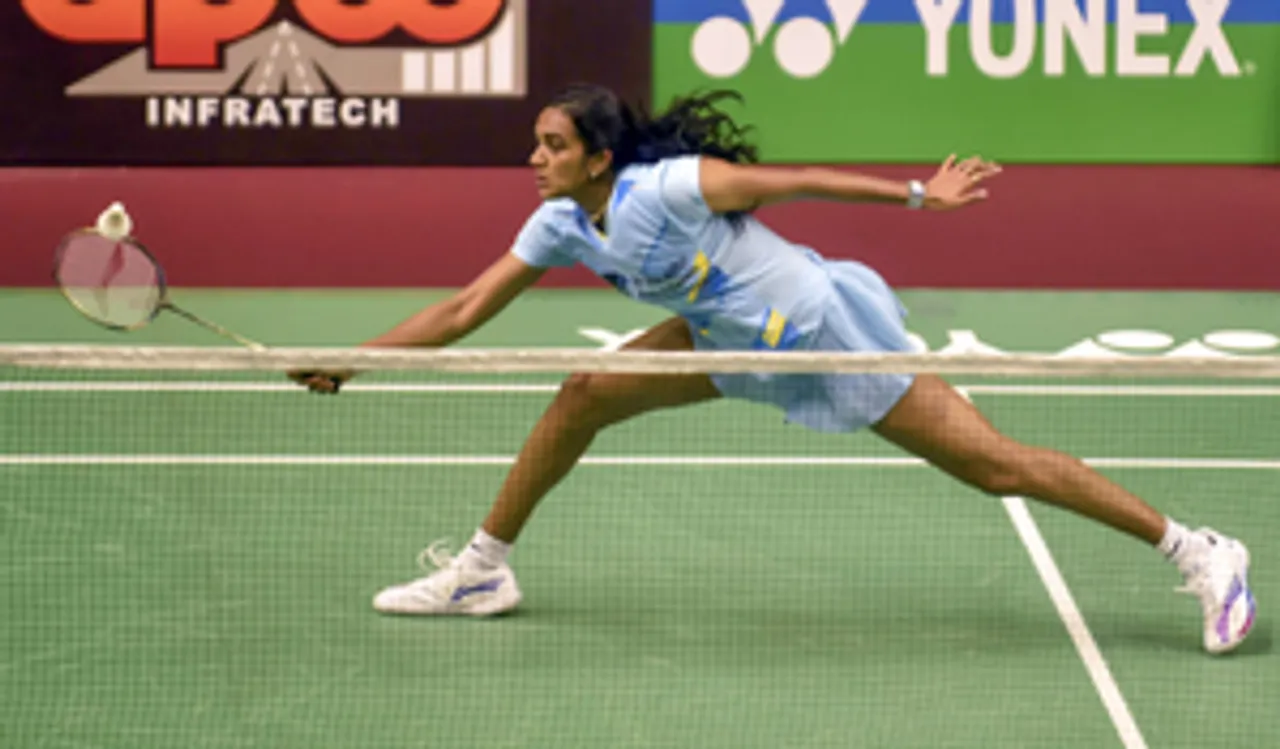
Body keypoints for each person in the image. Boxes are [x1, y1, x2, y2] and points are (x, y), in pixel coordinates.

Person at [291, 84, 1255, 655]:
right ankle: (479, 572)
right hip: (726, 340)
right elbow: (463, 309)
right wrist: (354, 360)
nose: (533, 156)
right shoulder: (556, 223)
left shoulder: (669, 187)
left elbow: (795, 180)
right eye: (537, 142)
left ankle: (1198, 550)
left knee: (992, 464)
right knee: (582, 394)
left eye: (553, 144)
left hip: (823, 330)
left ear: (600, 156)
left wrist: (922, 195)